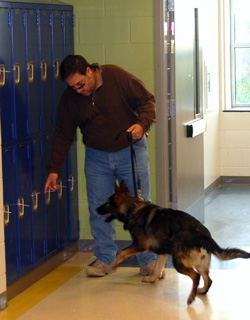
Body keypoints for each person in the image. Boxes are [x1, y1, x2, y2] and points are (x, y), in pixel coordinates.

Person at [44, 54, 157, 277]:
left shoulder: (117, 77)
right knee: (99, 208)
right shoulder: (70, 99)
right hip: (97, 157)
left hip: (130, 150)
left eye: (80, 84)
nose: (78, 90)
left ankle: (148, 260)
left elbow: (147, 101)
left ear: (90, 71)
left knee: (141, 207)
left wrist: (141, 124)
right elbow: (63, 135)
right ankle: (106, 258)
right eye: (72, 87)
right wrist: (54, 170)